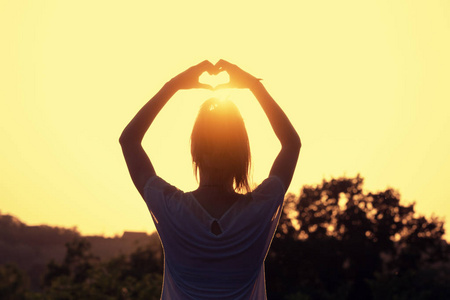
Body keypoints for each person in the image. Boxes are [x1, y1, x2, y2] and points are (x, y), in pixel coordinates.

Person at [119, 59, 301, 299]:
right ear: (241, 155)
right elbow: (291, 144)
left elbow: (129, 140)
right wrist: (254, 86)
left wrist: (172, 86)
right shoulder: (259, 209)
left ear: (195, 151)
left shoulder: (170, 208)